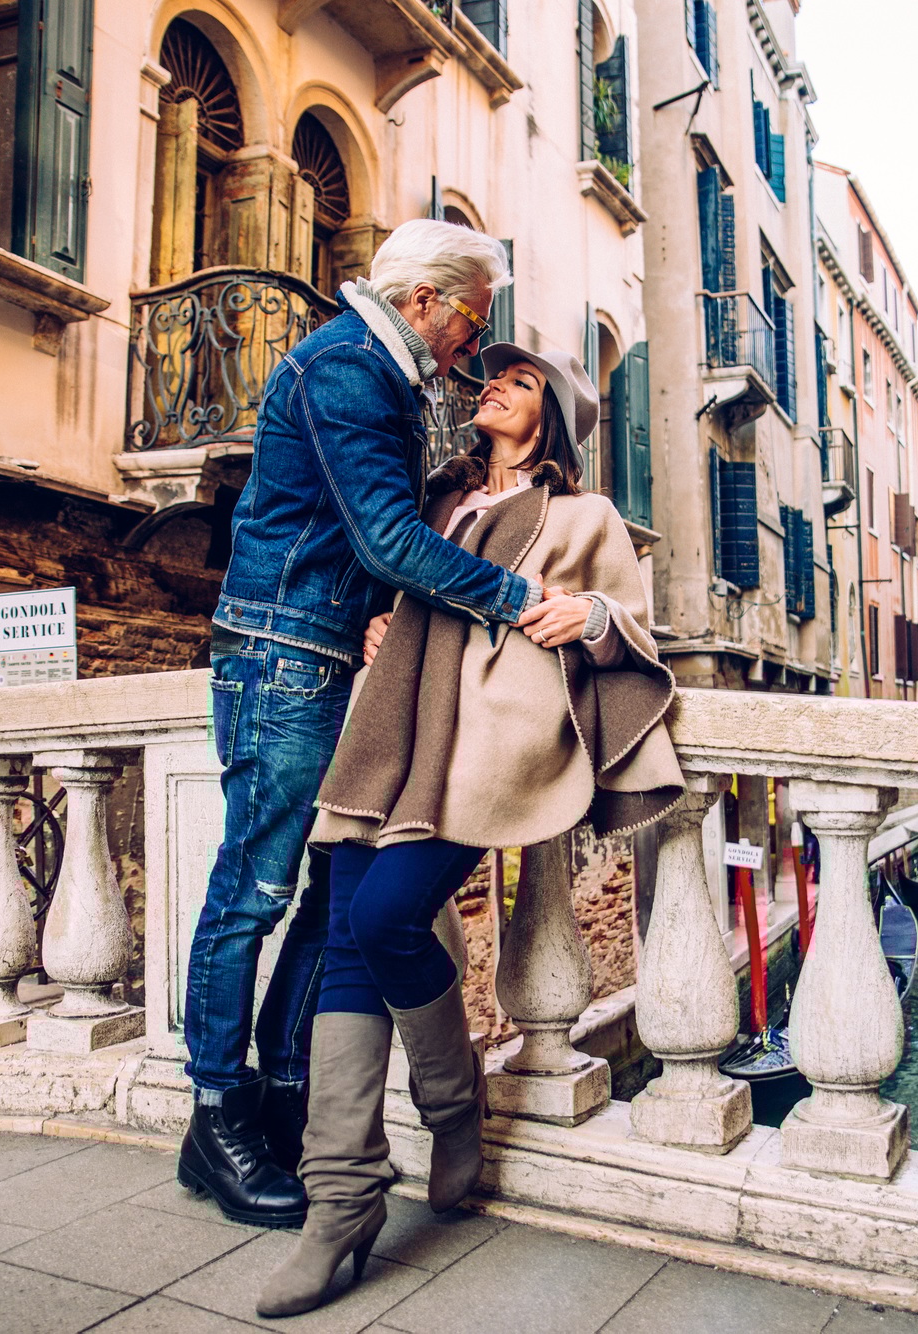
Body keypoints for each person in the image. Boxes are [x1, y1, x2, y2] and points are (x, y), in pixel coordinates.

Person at [255, 343, 682, 1318]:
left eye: (518, 380)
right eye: (487, 374)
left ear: (554, 418)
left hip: (487, 745)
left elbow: (637, 624)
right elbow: (396, 581)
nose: (489, 385)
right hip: (394, 731)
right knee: (358, 934)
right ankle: (343, 1199)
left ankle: (452, 1110)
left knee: (386, 914)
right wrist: (383, 626)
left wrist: (592, 614)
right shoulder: (436, 503)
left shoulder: (584, 515)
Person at [177, 221, 562, 1229]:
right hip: (281, 653)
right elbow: (387, 537)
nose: (470, 350)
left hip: (318, 648)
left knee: (319, 899)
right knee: (253, 890)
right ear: (428, 299)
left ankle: (287, 1097)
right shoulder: (349, 367)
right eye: (471, 320)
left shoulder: (381, 375)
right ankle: (217, 1114)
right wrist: (514, 597)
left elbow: (365, 539)